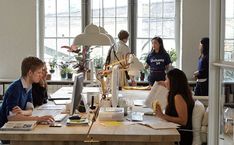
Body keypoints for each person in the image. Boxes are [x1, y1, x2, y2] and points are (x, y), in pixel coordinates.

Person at [0, 56, 54, 143]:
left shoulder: (28, 86)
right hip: (9, 135)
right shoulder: (15, 88)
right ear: (30, 73)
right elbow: (12, 118)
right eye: (39, 72)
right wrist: (39, 118)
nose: (41, 75)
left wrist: (22, 112)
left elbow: (30, 109)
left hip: (18, 126)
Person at [156, 68, 195, 145]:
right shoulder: (176, 93)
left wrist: (162, 116)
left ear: (173, 82)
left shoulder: (178, 97)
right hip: (175, 131)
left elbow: (183, 121)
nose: (164, 82)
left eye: (166, 79)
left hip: (180, 136)